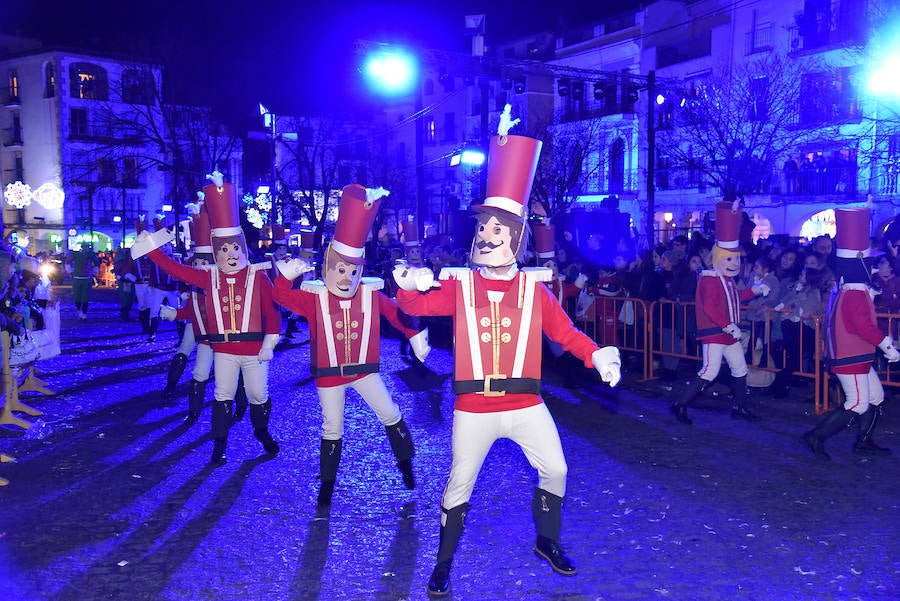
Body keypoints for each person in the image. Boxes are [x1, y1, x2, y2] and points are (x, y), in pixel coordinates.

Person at [392, 107, 621, 596]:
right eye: (482, 230)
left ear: (515, 239)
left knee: (555, 468)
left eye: (497, 230)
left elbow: (566, 335)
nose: (485, 236)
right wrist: (408, 285)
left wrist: (597, 354)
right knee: (460, 485)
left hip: (525, 403)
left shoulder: (537, 293)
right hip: (474, 406)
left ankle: (547, 541)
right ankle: (443, 562)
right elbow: (414, 304)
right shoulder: (460, 287)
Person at [271, 184, 430, 507]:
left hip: (364, 371)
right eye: (340, 269)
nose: (346, 277)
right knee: (332, 427)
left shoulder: (371, 294)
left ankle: (406, 466)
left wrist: (413, 334)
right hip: (329, 374)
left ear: (361, 270)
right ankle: (327, 485)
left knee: (390, 412)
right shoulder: (314, 297)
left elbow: (395, 314)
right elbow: (280, 297)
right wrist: (284, 278)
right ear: (329, 267)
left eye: (352, 270)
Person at [131, 171, 282, 465]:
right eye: (223, 249)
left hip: (254, 351)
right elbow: (176, 270)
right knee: (223, 396)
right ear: (216, 252)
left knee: (258, 395)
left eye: (234, 247)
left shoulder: (258, 276)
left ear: (243, 248)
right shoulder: (207, 277)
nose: (230, 254)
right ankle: (219, 445)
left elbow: (271, 312)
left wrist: (270, 342)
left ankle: (262, 432)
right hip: (223, 349)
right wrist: (152, 251)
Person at [804, 207, 899, 460]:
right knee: (857, 403)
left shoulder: (850, 289)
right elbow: (862, 326)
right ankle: (816, 436)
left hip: (856, 355)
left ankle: (864, 442)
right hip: (852, 356)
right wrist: (886, 345)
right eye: (869, 264)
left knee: (876, 397)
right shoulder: (854, 292)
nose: (874, 268)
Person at [670, 200, 771, 425]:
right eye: (729, 259)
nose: (735, 263)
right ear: (717, 259)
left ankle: (738, 406)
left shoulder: (725, 279)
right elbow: (710, 308)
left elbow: (735, 298)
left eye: (736, 259)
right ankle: (679, 404)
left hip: (727, 332)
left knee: (740, 368)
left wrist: (755, 290)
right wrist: (728, 326)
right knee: (709, 371)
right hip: (716, 332)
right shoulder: (711, 280)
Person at [70, 243, 99, 320]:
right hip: (77, 278)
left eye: (86, 247)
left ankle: (84, 312)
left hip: (86, 278)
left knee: (85, 297)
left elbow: (97, 262)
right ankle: (79, 310)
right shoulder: (76, 254)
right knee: (77, 296)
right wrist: (70, 270)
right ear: (82, 247)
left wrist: (94, 271)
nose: (85, 248)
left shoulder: (91, 254)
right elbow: (67, 261)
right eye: (84, 247)